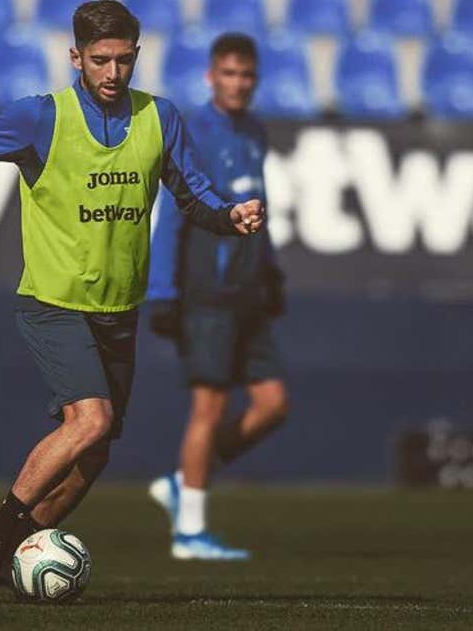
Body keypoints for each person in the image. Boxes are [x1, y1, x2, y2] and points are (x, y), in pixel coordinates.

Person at [0, 0, 265, 589]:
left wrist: (230, 216)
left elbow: (194, 196)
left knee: (92, 459)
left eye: (123, 60)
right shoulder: (40, 118)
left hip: (119, 310)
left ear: (137, 56)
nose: (112, 73)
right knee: (89, 421)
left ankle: (6, 559)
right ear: (75, 57)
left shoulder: (160, 117)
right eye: (99, 61)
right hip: (54, 302)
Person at [145, 33, 290, 561]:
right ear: (211, 76)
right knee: (209, 407)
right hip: (205, 291)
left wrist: (270, 273)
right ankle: (189, 531)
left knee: (273, 404)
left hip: (249, 291)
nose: (238, 83)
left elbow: (260, 208)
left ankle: (186, 481)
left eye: (246, 75)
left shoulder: (255, 131)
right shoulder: (195, 131)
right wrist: (162, 291)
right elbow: (172, 214)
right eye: (228, 73)